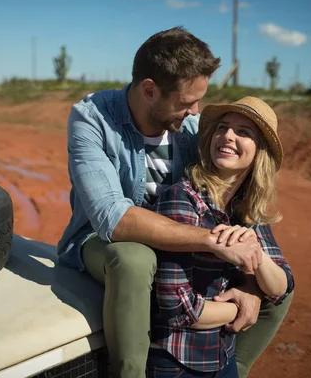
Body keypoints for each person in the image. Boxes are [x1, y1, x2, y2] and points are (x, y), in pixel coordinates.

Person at [57, 26, 294, 378]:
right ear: (149, 90)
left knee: (278, 283)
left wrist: (249, 283)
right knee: (135, 260)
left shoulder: (190, 126)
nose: (196, 111)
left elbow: (228, 189)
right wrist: (215, 242)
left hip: (180, 243)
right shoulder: (92, 118)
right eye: (187, 102)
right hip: (103, 240)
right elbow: (113, 218)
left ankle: (233, 369)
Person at [146, 96, 294, 377]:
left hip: (222, 357)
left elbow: (283, 284)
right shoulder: (182, 199)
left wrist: (257, 254)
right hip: (176, 363)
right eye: (222, 127)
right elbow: (177, 306)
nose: (227, 136)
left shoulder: (247, 209)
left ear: (258, 151)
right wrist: (245, 303)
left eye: (243, 132)